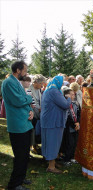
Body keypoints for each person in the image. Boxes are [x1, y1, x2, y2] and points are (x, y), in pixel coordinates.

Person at [1, 61, 34, 190]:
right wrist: (29, 99)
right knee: (20, 155)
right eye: (24, 70)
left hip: (24, 123)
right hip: (17, 125)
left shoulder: (16, 82)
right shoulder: (8, 82)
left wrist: (30, 111)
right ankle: (14, 184)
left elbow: (23, 100)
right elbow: (19, 100)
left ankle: (20, 177)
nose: (26, 73)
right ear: (18, 70)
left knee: (25, 154)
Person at [40, 76, 71, 174]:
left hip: (48, 120)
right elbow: (65, 105)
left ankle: (51, 161)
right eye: (61, 83)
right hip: (53, 121)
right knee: (52, 143)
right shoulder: (54, 91)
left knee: (48, 142)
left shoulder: (48, 89)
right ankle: (51, 166)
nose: (61, 85)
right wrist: (69, 98)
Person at [27, 74, 46, 154]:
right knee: (31, 131)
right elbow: (31, 103)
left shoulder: (38, 89)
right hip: (31, 114)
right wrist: (38, 108)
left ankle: (35, 145)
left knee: (35, 130)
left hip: (38, 113)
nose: (42, 85)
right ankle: (30, 146)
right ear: (35, 82)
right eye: (41, 83)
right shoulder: (29, 89)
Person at [61, 89, 80, 165]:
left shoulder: (75, 104)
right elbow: (67, 117)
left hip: (76, 126)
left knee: (74, 142)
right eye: (71, 94)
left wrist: (78, 122)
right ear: (67, 96)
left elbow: (78, 113)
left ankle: (72, 157)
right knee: (69, 143)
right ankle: (66, 159)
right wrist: (73, 124)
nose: (73, 96)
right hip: (69, 127)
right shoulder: (65, 105)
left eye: (73, 94)